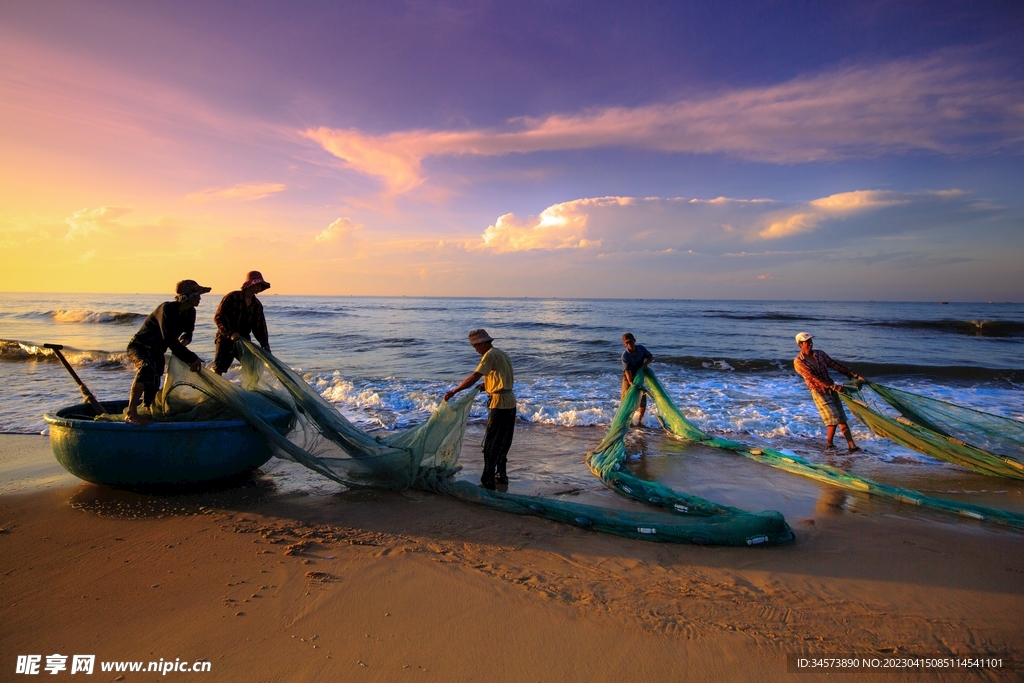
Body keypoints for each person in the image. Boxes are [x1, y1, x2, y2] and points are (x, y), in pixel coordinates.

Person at [125, 280, 210, 425]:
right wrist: (191, 357)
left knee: (155, 379)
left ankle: (148, 410)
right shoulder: (167, 309)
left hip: (158, 351)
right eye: (197, 294)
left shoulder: (190, 312)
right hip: (140, 346)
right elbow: (169, 339)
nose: (200, 298)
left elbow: (188, 334)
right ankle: (131, 413)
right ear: (188, 296)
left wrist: (183, 343)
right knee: (146, 368)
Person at [443, 329, 516, 490]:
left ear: (482, 343)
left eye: (476, 346)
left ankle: (488, 480)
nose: (475, 350)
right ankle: (501, 475)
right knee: (504, 442)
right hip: (510, 401)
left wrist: (454, 391)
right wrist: (487, 385)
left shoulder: (489, 355)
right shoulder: (501, 353)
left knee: (491, 443)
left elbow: (474, 376)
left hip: (499, 404)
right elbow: (502, 376)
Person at [793, 332, 864, 453]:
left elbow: (835, 365)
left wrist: (853, 374)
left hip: (832, 389)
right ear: (800, 344)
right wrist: (833, 387)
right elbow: (812, 378)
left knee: (841, 417)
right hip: (819, 392)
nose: (810, 343)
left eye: (810, 341)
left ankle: (849, 445)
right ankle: (832, 445)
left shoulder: (819, 354)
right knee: (833, 418)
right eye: (807, 342)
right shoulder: (799, 362)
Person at [213, 271, 272, 374]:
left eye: (260, 285)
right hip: (225, 338)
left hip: (244, 339)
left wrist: (265, 344)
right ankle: (214, 388)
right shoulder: (232, 297)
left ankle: (248, 387)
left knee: (251, 367)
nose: (259, 287)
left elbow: (259, 326)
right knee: (219, 368)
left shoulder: (256, 305)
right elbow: (219, 317)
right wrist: (231, 333)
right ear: (250, 284)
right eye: (257, 284)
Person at [621, 333, 653, 427]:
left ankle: (639, 421)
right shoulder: (625, 356)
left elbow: (650, 357)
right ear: (625, 344)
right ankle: (627, 421)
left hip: (640, 376)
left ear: (634, 340)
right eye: (627, 343)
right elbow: (627, 371)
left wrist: (645, 364)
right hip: (628, 378)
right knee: (627, 400)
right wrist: (631, 383)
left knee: (642, 400)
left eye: (631, 341)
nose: (629, 344)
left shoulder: (641, 349)